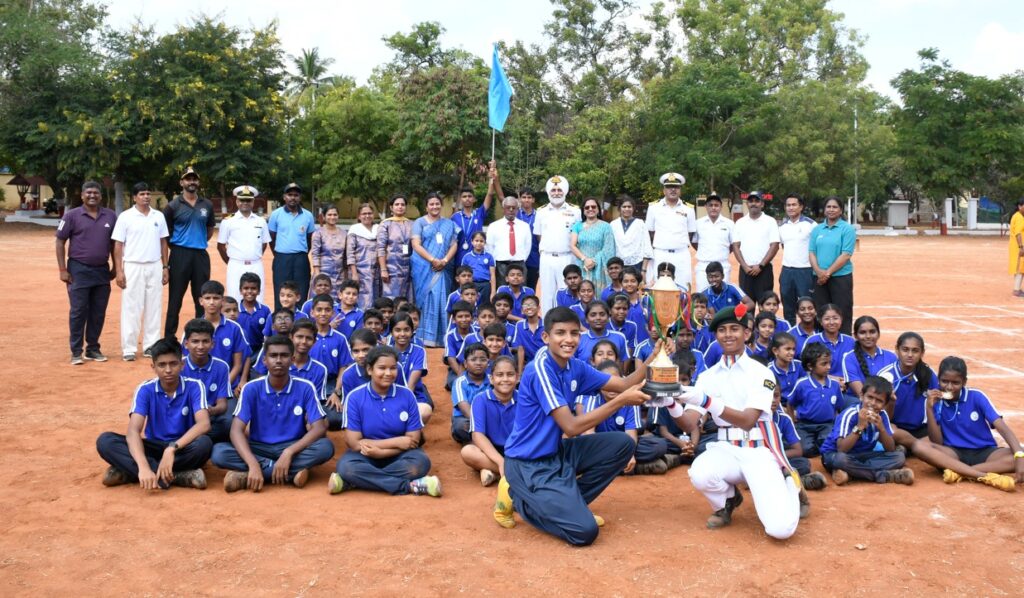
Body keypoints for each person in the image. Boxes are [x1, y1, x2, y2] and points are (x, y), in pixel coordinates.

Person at [494, 306, 655, 545]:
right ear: (546, 337)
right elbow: (571, 427)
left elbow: (623, 384)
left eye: (574, 333)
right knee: (584, 532)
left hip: (556, 454)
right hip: (528, 463)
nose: (569, 340)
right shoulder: (540, 369)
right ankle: (518, 498)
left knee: (623, 444)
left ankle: (570, 504)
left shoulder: (575, 366)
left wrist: (654, 358)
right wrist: (621, 401)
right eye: (560, 333)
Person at [672, 305, 801, 538]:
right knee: (700, 473)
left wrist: (706, 400)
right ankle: (728, 501)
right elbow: (689, 424)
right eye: (722, 330)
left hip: (758, 449)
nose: (728, 334)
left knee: (780, 530)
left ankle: (792, 485)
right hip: (726, 448)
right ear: (716, 335)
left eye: (735, 329)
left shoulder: (760, 372)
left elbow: (748, 420)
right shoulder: (707, 376)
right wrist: (670, 404)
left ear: (747, 334)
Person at [211, 335, 335, 491]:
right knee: (219, 453)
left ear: (292, 359)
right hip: (258, 446)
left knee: (326, 447)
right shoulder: (251, 388)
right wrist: (253, 464)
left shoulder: (305, 387)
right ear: (264, 360)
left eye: (284, 355)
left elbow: (319, 428)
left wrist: (289, 452)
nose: (278, 360)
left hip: (293, 445)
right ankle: (287, 473)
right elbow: (236, 430)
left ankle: (249, 476)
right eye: (273, 355)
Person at [96, 338, 212, 490]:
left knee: (204, 444)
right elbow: (133, 431)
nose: (168, 370)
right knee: (105, 441)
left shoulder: (195, 386)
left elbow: (204, 424)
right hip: (153, 446)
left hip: (181, 447)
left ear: (182, 364)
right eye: (162, 365)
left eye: (173, 363)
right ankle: (176, 476)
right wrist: (143, 466)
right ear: (153, 367)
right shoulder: (145, 389)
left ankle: (130, 473)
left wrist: (171, 449)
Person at [329, 345, 442, 497]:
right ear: (370, 370)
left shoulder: (407, 396)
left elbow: (413, 440)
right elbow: (354, 443)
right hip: (365, 455)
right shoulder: (354, 398)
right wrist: (393, 444)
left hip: (399, 454)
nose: (388, 373)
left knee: (420, 463)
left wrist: (381, 451)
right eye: (382, 368)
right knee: (346, 467)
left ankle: (353, 481)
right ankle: (410, 486)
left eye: (393, 368)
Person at [911, 356, 1023, 491]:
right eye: (944, 381)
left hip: (984, 453)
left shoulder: (976, 396)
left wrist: (1019, 455)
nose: (949, 387)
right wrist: (929, 409)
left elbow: (1002, 428)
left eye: (955, 383)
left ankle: (960, 473)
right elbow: (937, 441)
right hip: (953, 453)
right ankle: (982, 476)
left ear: (964, 382)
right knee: (918, 446)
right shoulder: (934, 401)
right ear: (938, 379)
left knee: (1020, 456)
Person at [55, 180, 117, 365]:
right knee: (78, 311)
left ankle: (93, 348)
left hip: (102, 271)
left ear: (101, 195)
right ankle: (76, 351)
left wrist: (115, 267)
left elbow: (115, 244)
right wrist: (62, 270)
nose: (92, 196)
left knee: (98, 312)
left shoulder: (111, 216)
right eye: (88, 192)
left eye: (96, 193)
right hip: (78, 270)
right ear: (82, 195)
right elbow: (60, 242)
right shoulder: (72, 216)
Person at [579, 360, 669, 476]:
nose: (611, 388)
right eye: (607, 384)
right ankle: (628, 468)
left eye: (615, 382)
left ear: (622, 381)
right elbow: (589, 433)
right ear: (599, 385)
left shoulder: (631, 398)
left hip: (622, 445)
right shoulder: (593, 399)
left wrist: (629, 454)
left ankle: (611, 468)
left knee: (659, 446)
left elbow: (630, 432)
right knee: (582, 450)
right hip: (599, 444)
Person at [820, 376, 914, 486]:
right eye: (870, 397)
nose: (873, 403)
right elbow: (841, 449)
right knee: (841, 460)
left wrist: (882, 429)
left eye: (879, 401)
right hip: (834, 455)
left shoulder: (882, 416)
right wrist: (860, 426)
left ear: (884, 405)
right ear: (861, 396)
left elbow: (891, 449)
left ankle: (852, 474)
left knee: (899, 457)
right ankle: (882, 475)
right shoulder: (850, 414)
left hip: (861, 456)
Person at [112, 182, 169, 361]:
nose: (146, 197)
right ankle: (128, 348)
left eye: (148, 193)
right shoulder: (125, 217)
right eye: (142, 194)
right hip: (133, 265)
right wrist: (119, 271)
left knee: (154, 307)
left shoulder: (158, 216)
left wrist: (165, 267)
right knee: (131, 307)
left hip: (154, 265)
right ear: (135, 197)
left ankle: (151, 345)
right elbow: (118, 245)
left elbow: (163, 242)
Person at [163, 167, 216, 337]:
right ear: (182, 182)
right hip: (179, 255)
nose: (191, 182)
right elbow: (166, 234)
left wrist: (197, 242)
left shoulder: (206, 204)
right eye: (188, 179)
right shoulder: (173, 206)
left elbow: (209, 229)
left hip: (200, 254)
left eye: (194, 179)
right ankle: (170, 338)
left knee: (201, 298)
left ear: (198, 182)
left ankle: (200, 335)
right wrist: (180, 247)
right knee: (175, 299)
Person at [461, 356, 518, 487]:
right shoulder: (480, 399)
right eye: (499, 375)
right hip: (491, 450)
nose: (505, 379)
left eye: (510, 375)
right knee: (468, 452)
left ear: (517, 377)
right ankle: (505, 469)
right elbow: (477, 435)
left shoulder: (524, 399)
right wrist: (500, 462)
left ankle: (494, 472)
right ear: (491, 379)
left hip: (517, 450)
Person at [411, 192, 458, 347]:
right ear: (426, 206)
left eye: (437, 204)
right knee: (426, 299)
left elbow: (453, 244)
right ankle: (423, 336)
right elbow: (416, 245)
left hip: (442, 267)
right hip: (424, 267)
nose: (435, 206)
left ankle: (439, 337)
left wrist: (444, 260)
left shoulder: (448, 224)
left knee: (440, 298)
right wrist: (433, 260)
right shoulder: (419, 223)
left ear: (441, 205)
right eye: (431, 204)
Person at [878, 332, 939, 449]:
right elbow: (882, 416)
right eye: (905, 350)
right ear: (897, 350)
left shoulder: (928, 374)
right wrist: (891, 402)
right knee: (890, 431)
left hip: (922, 429)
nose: (910, 355)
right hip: (896, 427)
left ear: (922, 353)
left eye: (915, 351)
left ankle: (908, 447)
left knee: (943, 431)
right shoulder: (886, 376)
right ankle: (920, 448)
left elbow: (937, 409)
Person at [809, 196, 856, 335]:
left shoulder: (847, 229)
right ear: (824, 210)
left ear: (841, 210)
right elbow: (811, 252)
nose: (831, 210)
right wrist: (818, 272)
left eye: (835, 207)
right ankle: (822, 344)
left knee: (842, 312)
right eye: (828, 207)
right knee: (821, 312)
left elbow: (846, 254)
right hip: (818, 279)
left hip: (840, 278)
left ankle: (844, 342)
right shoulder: (817, 229)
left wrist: (827, 273)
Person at [181, 319, 232, 442]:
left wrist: (213, 410)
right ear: (186, 344)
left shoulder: (222, 367)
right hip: (183, 419)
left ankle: (197, 441)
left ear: (212, 343)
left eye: (205, 341)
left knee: (231, 424)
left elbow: (222, 404)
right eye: (195, 341)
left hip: (210, 419)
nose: (200, 346)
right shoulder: (179, 366)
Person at [535, 176, 581, 313]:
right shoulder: (541, 211)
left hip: (567, 256)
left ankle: (565, 321)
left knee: (565, 291)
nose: (556, 193)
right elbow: (539, 235)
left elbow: (577, 235)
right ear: (549, 192)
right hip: (547, 257)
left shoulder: (575, 211)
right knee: (547, 293)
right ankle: (547, 324)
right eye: (553, 190)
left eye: (559, 190)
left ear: (565, 191)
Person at [217, 185, 270, 304]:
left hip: (256, 265)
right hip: (236, 265)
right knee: (235, 298)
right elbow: (220, 246)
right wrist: (232, 261)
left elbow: (264, 243)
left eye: (248, 200)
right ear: (236, 201)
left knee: (258, 299)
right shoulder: (228, 221)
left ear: (253, 202)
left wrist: (254, 255)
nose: (245, 203)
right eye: (242, 200)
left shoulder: (260, 221)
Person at [789, 343, 843, 457]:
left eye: (829, 363)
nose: (828, 367)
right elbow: (790, 403)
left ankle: (820, 446)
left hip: (827, 424)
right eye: (824, 364)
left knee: (828, 445)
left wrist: (836, 426)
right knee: (806, 450)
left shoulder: (834, 385)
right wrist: (792, 421)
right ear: (810, 366)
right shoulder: (802, 384)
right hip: (804, 425)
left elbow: (838, 407)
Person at [268, 182, 315, 310]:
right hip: (281, 258)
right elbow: (272, 238)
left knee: (301, 289)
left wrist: (301, 252)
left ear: (299, 197)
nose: (293, 198)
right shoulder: (276, 214)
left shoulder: (308, 216)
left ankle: (300, 320)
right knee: (281, 290)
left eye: (296, 195)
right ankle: (280, 319)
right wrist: (280, 253)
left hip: (301, 258)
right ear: (284, 197)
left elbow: (309, 238)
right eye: (290, 195)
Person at [646, 172, 696, 289]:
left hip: (681, 254)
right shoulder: (653, 208)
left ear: (680, 190)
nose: (673, 189)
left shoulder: (688, 209)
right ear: (664, 190)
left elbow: (691, 232)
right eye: (669, 187)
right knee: (660, 288)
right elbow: (650, 232)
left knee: (683, 287)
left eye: (676, 187)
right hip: (660, 253)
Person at [731, 191, 780, 303]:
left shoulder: (770, 221)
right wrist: (745, 266)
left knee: (766, 305)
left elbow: (775, 245)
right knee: (747, 306)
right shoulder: (740, 222)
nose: (754, 204)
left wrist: (761, 265)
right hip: (745, 271)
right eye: (751, 201)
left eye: (757, 201)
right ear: (747, 204)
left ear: (762, 204)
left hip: (764, 270)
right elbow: (736, 246)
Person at [778, 194, 816, 324]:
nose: (791, 208)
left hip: (805, 271)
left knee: (808, 307)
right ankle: (790, 334)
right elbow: (784, 245)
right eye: (788, 205)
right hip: (787, 271)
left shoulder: (811, 225)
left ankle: (811, 335)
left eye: (794, 205)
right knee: (788, 305)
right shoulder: (782, 227)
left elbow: (816, 247)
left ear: (801, 207)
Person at [841, 316, 898, 402]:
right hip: (859, 402)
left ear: (878, 334)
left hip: (885, 402)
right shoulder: (849, 358)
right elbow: (860, 394)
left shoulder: (891, 357)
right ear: (855, 336)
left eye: (872, 332)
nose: (868, 336)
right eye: (863, 332)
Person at [452, 170, 497, 272]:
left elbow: (489, 194)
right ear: (460, 199)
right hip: (460, 258)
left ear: (474, 199)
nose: (467, 199)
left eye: (469, 196)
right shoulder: (455, 217)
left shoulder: (479, 214)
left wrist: (491, 179)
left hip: (477, 259)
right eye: (464, 196)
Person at [570, 197, 616, 294]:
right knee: (583, 294)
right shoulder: (577, 226)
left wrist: (593, 261)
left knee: (599, 295)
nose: (590, 209)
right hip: (582, 266)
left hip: (600, 267)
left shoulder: (606, 226)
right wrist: (585, 259)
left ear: (598, 209)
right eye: (587, 207)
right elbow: (572, 245)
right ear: (583, 211)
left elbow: (609, 248)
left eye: (593, 206)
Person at [487, 196, 533, 289]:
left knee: (521, 292)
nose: (511, 210)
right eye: (508, 207)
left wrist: (521, 259)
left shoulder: (525, 226)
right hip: (501, 265)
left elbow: (527, 246)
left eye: (514, 207)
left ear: (517, 209)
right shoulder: (494, 226)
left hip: (519, 263)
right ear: (503, 209)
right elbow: (489, 247)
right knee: (503, 293)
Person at [451, 343, 492, 445]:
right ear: (465, 363)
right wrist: (483, 425)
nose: (478, 363)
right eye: (473, 360)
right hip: (467, 418)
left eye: (483, 359)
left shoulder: (493, 380)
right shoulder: (460, 382)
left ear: (488, 362)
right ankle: (479, 442)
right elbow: (465, 408)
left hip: (490, 416)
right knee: (460, 427)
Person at [693, 193, 734, 291]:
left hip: (722, 265)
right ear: (706, 207)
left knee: (723, 296)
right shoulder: (698, 223)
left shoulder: (729, 224)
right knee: (702, 297)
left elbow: (733, 245)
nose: (713, 208)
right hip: (703, 266)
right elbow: (694, 242)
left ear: (721, 207)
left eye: (716, 205)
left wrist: (722, 253)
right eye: (710, 205)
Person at [377, 194, 414, 303]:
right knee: (391, 300)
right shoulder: (386, 224)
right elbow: (381, 248)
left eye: (402, 204)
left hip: (408, 268)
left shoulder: (411, 224)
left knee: (407, 299)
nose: (400, 207)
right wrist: (383, 269)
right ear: (391, 207)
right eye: (397, 204)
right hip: (391, 269)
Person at [347, 202, 380, 310]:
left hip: (376, 272)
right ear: (359, 216)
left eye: (369, 213)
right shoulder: (354, 230)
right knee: (362, 301)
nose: (367, 216)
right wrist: (354, 273)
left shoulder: (379, 229)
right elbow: (350, 253)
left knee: (376, 299)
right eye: (364, 213)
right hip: (360, 272)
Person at [309, 204, 347, 297]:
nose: (332, 217)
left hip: (339, 274)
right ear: (324, 216)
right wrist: (317, 274)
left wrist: (346, 274)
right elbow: (315, 254)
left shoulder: (344, 233)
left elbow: (346, 255)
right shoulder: (318, 233)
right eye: (329, 215)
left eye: (335, 215)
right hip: (323, 273)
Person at [610, 196, 652, 279]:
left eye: (629, 207)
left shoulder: (640, 224)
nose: (627, 209)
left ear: (633, 208)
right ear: (619, 208)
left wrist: (643, 270)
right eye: (624, 207)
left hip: (637, 263)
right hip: (618, 265)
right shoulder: (613, 225)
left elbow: (646, 246)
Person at [516, 187, 541, 289]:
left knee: (531, 288)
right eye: (524, 197)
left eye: (529, 197)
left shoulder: (539, 216)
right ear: (519, 199)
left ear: (533, 200)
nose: (526, 200)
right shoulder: (515, 214)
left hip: (534, 257)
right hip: (518, 257)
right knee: (517, 287)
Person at [512, 294, 544, 373]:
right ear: (522, 310)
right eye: (526, 305)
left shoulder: (546, 324)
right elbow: (520, 349)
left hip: (545, 362)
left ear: (538, 308)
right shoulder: (519, 325)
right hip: (529, 365)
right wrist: (520, 374)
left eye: (532, 305)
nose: (529, 307)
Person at [462, 231, 497, 301]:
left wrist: (493, 292)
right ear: (472, 242)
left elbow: (492, 275)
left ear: (485, 242)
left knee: (484, 306)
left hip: (486, 285)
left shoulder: (489, 256)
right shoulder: (466, 257)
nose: (479, 243)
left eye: (481, 241)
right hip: (471, 285)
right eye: (476, 241)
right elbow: (462, 275)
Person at [1010, 198, 1024, 297]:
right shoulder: (1019, 217)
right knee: (1020, 268)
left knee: (1020, 268)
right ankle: (1016, 290)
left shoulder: (1017, 216)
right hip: (1019, 246)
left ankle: (1017, 288)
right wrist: (1021, 247)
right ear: (1020, 206)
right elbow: (1018, 233)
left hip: (1016, 246)